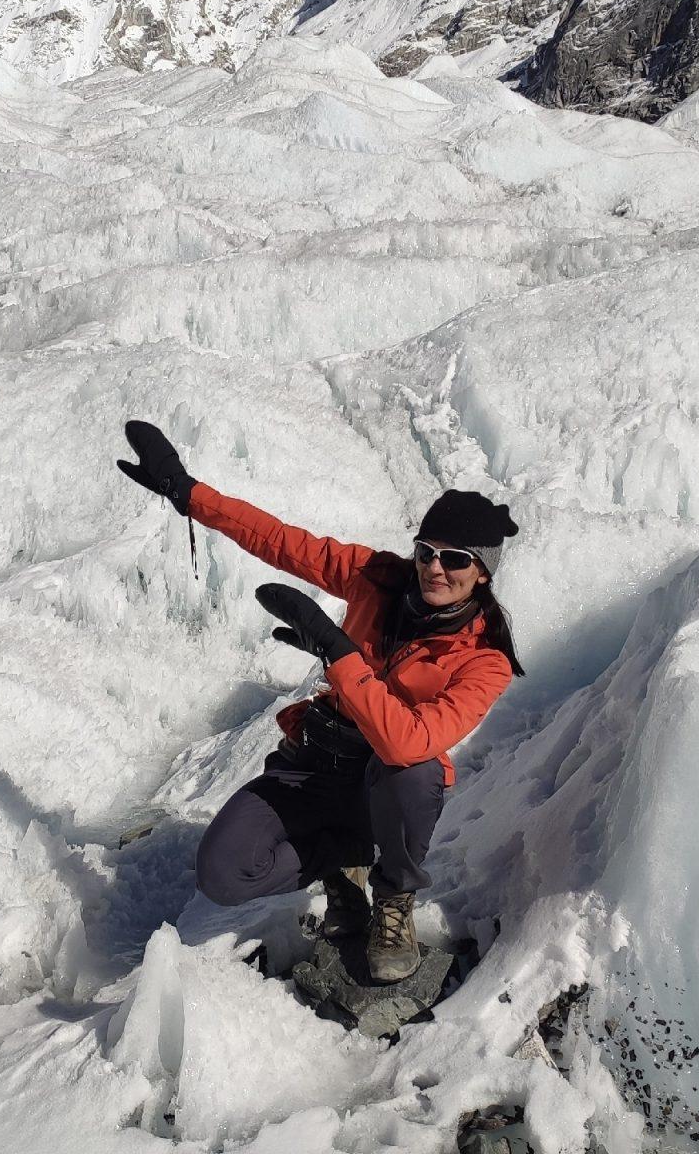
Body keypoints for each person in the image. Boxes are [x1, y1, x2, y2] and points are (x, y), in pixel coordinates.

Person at [117, 419, 522, 983]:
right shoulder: (376, 577)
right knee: (223, 872)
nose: (435, 567)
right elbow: (281, 541)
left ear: (481, 572)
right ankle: (341, 858)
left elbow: (407, 741)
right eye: (427, 551)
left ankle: (392, 897)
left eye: (455, 558)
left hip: (384, 784)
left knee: (416, 771)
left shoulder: (486, 659)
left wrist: (338, 652)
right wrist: (188, 494)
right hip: (319, 757)